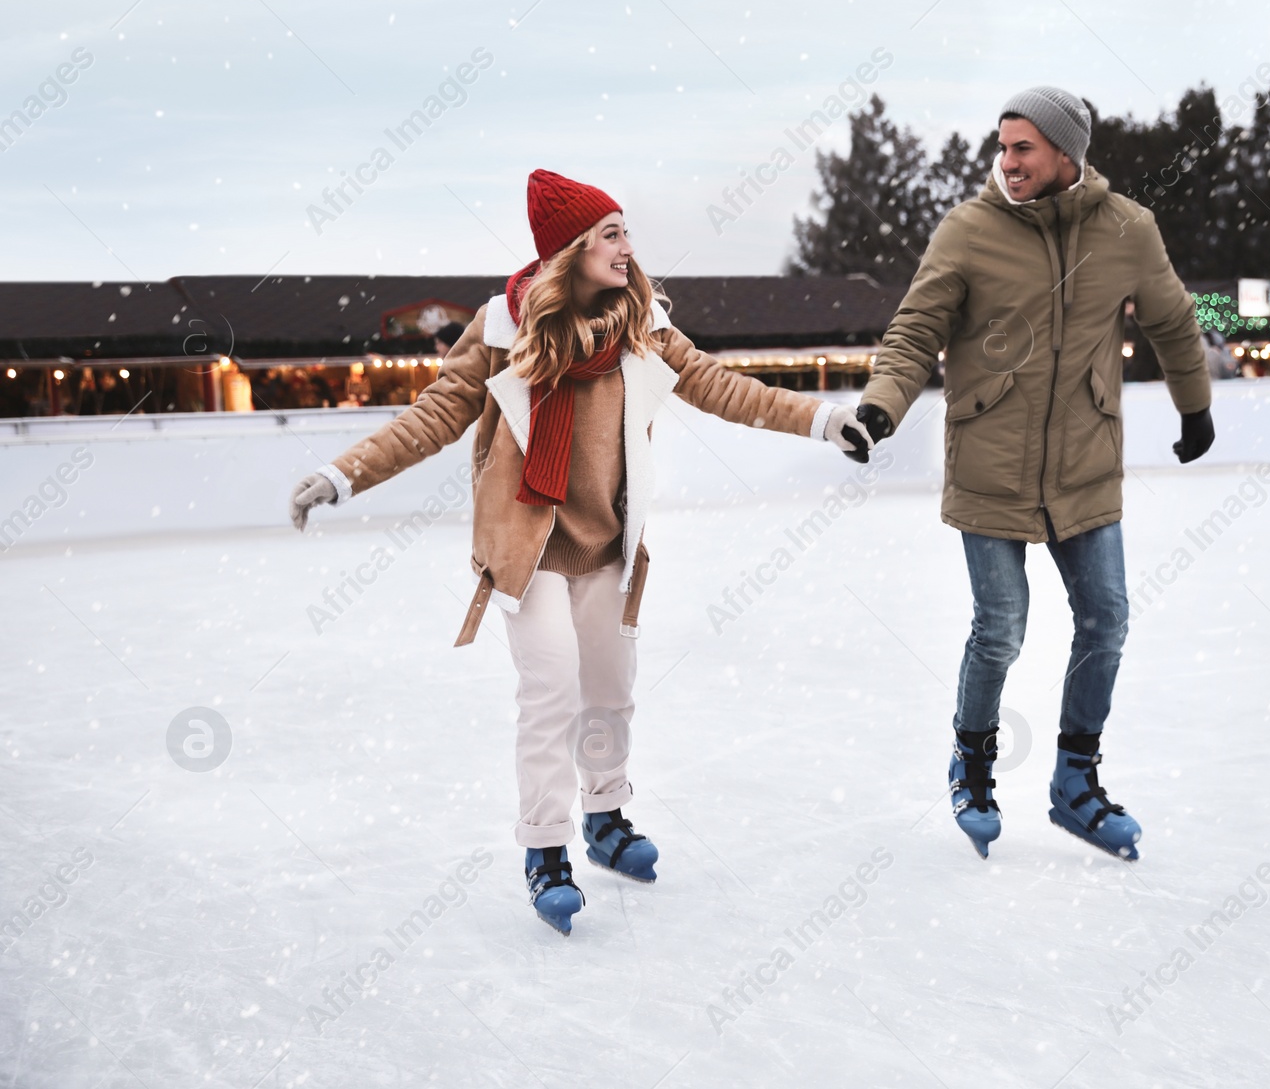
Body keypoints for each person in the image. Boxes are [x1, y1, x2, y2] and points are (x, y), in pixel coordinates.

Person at [288, 169, 872, 934]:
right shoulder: (502, 332)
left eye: (626, 231)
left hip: (604, 545)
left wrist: (823, 421)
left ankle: (606, 817)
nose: (628, 248)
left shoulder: (645, 329)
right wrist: (341, 475)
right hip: (527, 549)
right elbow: (433, 416)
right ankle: (546, 848)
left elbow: (723, 386)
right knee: (553, 689)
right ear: (571, 251)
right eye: (611, 234)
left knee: (609, 686)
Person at [852, 87, 1213, 862]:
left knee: (1107, 619)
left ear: (1065, 155)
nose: (1006, 161)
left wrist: (1195, 408)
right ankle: (973, 763)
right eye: (1003, 146)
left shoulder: (1127, 230)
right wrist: (884, 404)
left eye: (1023, 148)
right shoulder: (970, 230)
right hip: (991, 463)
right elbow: (916, 327)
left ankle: (1074, 786)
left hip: (1085, 465)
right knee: (1002, 625)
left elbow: (1173, 320)